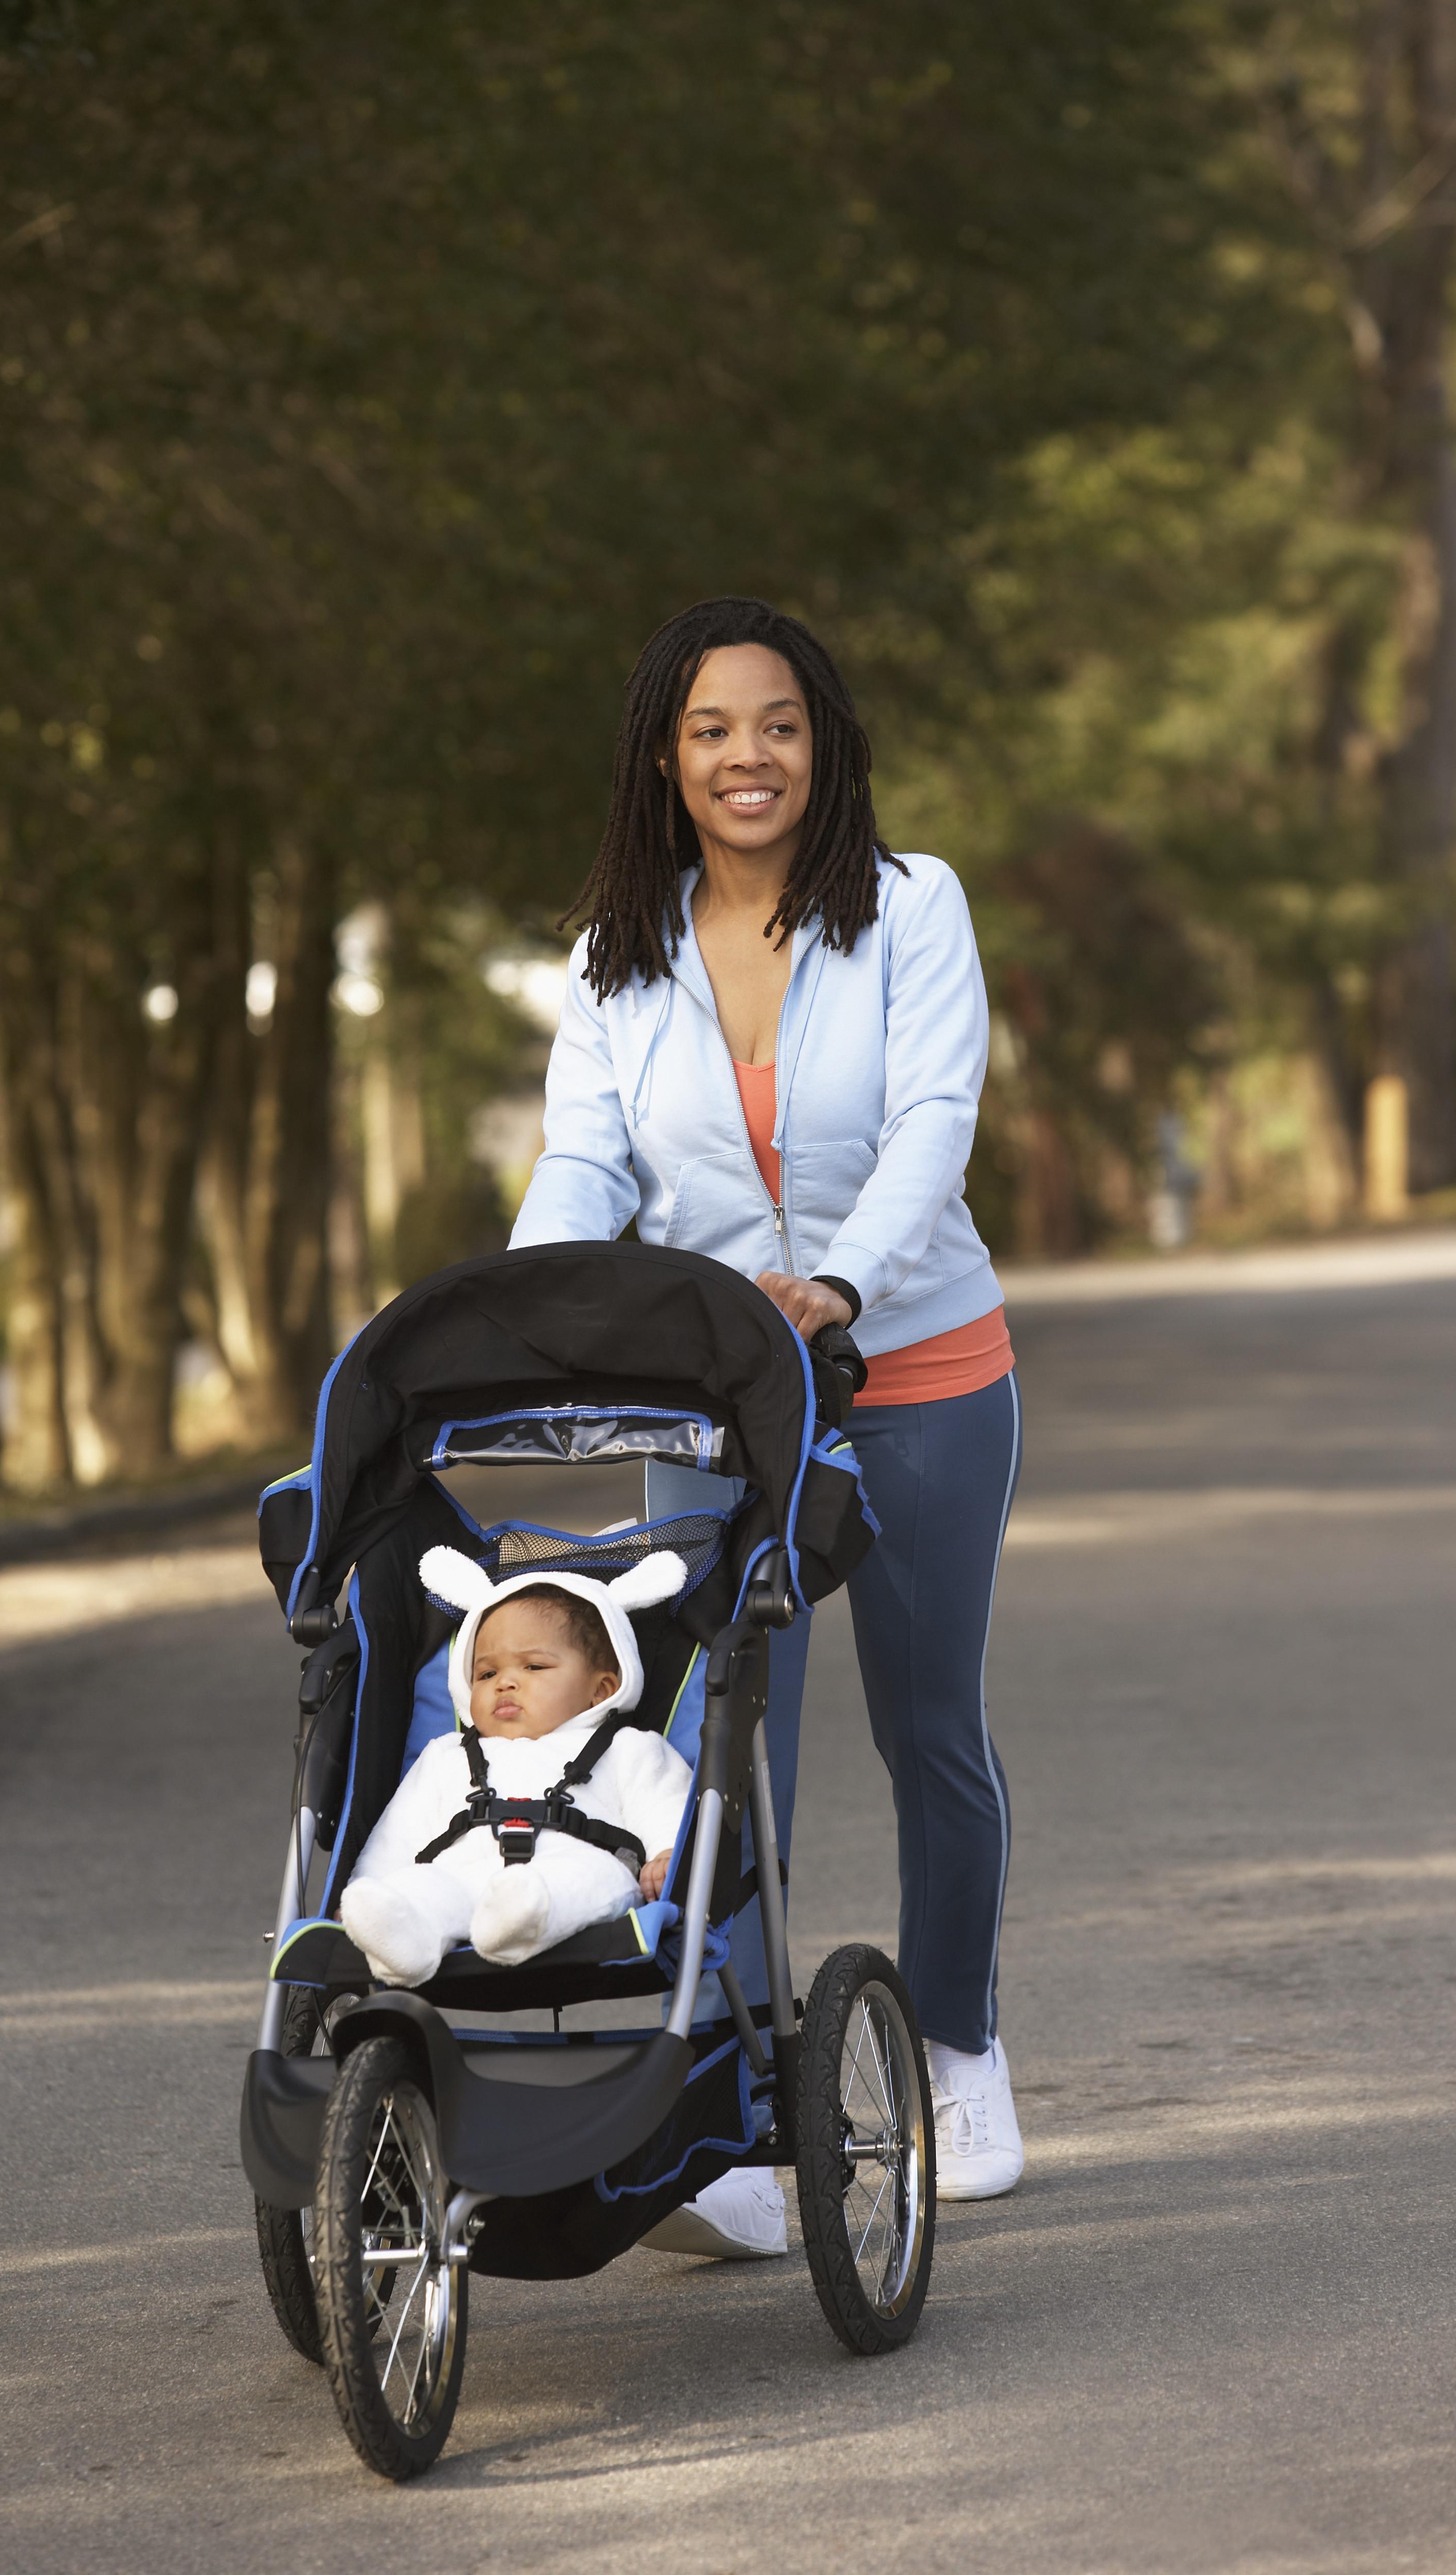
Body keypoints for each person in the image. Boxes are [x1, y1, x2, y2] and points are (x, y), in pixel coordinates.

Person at [509, 594, 1025, 2255]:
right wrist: (527, 1300)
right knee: (725, 1746)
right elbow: (588, 1161)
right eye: (716, 728)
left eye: (781, 725)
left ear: (826, 745)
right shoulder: (618, 945)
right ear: (669, 754)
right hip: (721, 1395)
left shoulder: (913, 907)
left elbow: (936, 1120)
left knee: (929, 1725)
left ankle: (956, 2044)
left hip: (920, 1361)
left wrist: (851, 1287)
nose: (751, 757)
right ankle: (729, 2111)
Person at [340, 1551, 693, 1984]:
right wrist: (374, 1884)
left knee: (593, 1878)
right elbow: (399, 1835)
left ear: (601, 1690)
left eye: (534, 1666)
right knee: (427, 1890)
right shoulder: (447, 1755)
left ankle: (527, 1913)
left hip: (581, 1870)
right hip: (464, 1876)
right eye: (486, 1674)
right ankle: (405, 1937)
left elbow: (666, 1804)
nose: (505, 1682)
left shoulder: (628, 1748)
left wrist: (666, 1855)